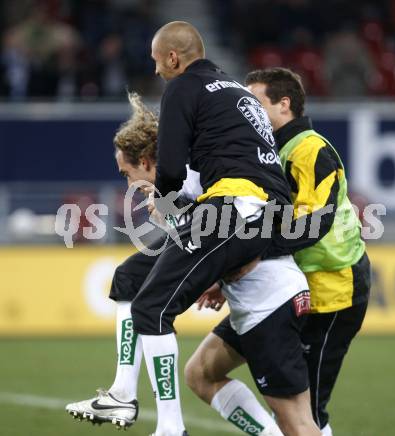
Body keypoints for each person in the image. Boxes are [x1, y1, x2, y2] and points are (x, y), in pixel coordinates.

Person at [65, 91, 315, 436]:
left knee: (298, 423)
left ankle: (168, 425)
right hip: (249, 302)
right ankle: (124, 391)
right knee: (195, 368)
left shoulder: (204, 169)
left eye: (127, 173)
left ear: (149, 160)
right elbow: (209, 239)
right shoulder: (190, 184)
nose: (129, 185)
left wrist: (214, 257)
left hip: (272, 301)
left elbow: (243, 227)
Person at [130, 21, 320, 436]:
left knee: (146, 302)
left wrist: (162, 203)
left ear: (174, 57)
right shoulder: (236, 94)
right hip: (263, 237)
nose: (157, 70)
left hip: (264, 284)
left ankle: (158, 419)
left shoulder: (183, 89)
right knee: (200, 373)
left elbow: (171, 171)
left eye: (157, 61)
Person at [186, 68, 370, 436]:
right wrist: (232, 272)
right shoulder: (271, 151)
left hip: (332, 292)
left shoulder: (311, 149)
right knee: (200, 373)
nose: (246, 111)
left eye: (254, 102)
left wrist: (248, 256)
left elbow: (311, 225)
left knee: (307, 415)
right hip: (282, 289)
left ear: (284, 104)